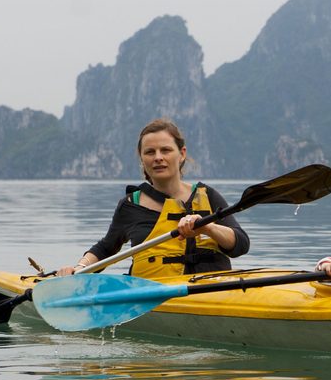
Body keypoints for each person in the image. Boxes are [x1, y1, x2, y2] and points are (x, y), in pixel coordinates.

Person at [57, 119, 250, 278]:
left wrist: (208, 227)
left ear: (182, 154)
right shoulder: (130, 205)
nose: (158, 157)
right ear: (142, 159)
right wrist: (80, 268)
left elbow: (241, 244)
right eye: (150, 152)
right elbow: (106, 248)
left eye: (165, 150)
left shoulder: (208, 196)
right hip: (152, 296)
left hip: (211, 293)